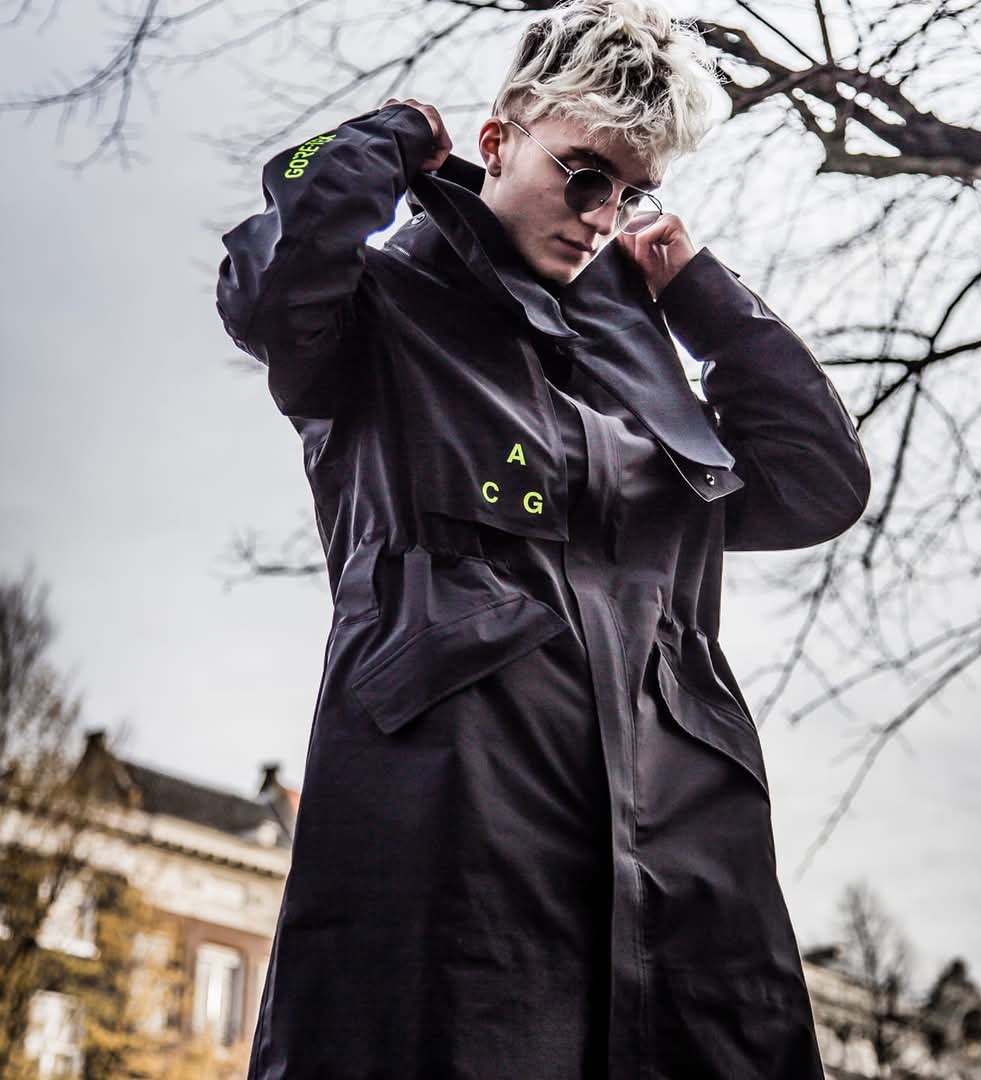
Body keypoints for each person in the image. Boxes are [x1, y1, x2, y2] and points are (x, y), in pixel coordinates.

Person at [215, 0, 871, 1076]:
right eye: (585, 175)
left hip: (684, 860)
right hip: (460, 850)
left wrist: (703, 299)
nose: (604, 215)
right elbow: (274, 285)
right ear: (500, 135)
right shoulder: (384, 315)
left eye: (633, 191)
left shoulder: (646, 371)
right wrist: (384, 140)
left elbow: (819, 482)